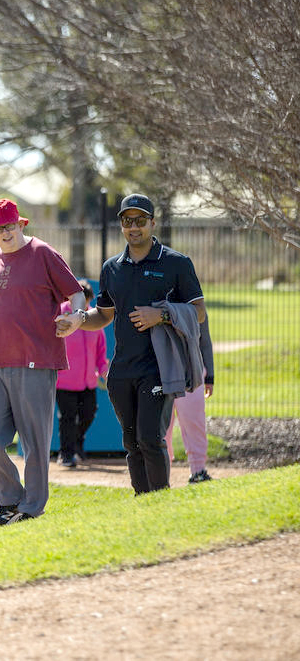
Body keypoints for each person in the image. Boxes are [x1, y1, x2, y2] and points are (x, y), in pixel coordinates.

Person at [68, 194, 206, 495]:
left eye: (141, 220)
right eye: (127, 221)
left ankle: (158, 499)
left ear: (152, 223)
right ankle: (143, 500)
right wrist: (78, 319)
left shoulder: (176, 264)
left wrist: (163, 314)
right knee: (131, 443)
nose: (134, 227)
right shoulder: (111, 268)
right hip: (121, 371)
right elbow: (103, 315)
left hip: (159, 367)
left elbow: (198, 312)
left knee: (150, 438)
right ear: (121, 225)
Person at [0, 199, 86, 529]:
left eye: (10, 226)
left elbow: (76, 294)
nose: (5, 233)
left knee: (34, 441)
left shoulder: (42, 253)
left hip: (36, 359)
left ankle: (31, 507)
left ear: (21, 224)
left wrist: (76, 318)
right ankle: (9, 501)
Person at [55, 280, 109, 468]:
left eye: (87, 303)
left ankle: (76, 444)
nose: (85, 307)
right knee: (68, 417)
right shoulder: (61, 314)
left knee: (89, 413)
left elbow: (101, 351)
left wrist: (104, 370)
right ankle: (66, 454)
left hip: (88, 381)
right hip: (64, 380)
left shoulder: (93, 318)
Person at [165, 318, 215, 483]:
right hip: (160, 370)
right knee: (162, 427)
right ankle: (160, 471)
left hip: (192, 370)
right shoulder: (154, 296)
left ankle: (198, 470)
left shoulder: (194, 301)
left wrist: (210, 377)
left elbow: (205, 340)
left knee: (194, 421)